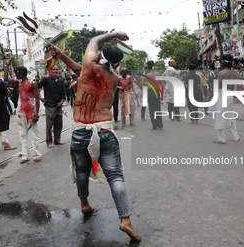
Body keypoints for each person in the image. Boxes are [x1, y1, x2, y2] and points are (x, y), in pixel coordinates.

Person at [52, 32, 141, 241]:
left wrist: (116, 34)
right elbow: (79, 67)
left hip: (81, 131)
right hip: (104, 132)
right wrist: (62, 55)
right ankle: (125, 221)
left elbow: (94, 41)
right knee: (115, 177)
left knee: (82, 171)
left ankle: (84, 204)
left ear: (99, 55)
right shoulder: (114, 78)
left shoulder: (88, 69)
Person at [4, 58, 42, 163]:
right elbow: (6, 78)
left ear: (23, 73)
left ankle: (37, 154)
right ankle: (25, 155)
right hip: (21, 111)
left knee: (34, 133)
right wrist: (7, 66)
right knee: (22, 134)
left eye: (17, 73)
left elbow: (37, 99)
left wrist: (36, 114)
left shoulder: (32, 84)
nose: (16, 75)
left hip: (30, 111)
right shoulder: (18, 83)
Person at [206, 54, 240, 144]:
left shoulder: (222, 73)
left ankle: (222, 138)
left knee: (220, 116)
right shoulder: (234, 73)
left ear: (224, 63)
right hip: (230, 95)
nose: (220, 64)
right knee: (230, 115)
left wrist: (209, 98)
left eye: (221, 62)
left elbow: (217, 86)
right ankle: (235, 136)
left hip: (223, 95)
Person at [37, 65, 66, 148]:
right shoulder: (46, 80)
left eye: (57, 69)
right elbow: (36, 87)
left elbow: (63, 94)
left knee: (59, 124)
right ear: (51, 70)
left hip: (58, 106)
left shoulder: (60, 81)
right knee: (49, 125)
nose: (55, 71)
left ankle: (57, 140)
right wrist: (40, 97)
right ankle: (49, 142)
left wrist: (61, 101)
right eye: (54, 69)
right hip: (50, 105)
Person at [145, 60, 163, 130]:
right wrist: (162, 94)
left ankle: (154, 126)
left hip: (151, 92)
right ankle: (160, 125)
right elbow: (162, 85)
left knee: (152, 109)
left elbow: (147, 86)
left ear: (148, 67)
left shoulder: (148, 76)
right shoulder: (158, 74)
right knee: (158, 109)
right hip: (157, 91)